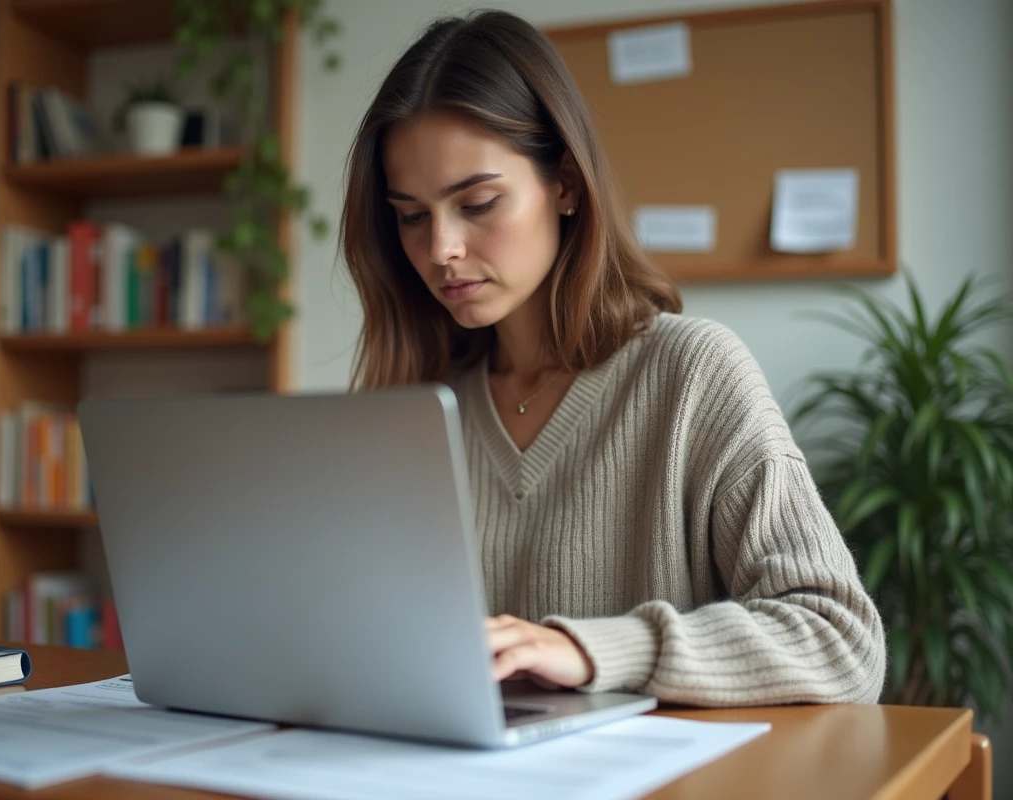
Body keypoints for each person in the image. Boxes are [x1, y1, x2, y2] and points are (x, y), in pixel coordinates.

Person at [338, 10, 885, 706]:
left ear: (565, 184)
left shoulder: (694, 373)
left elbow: (841, 641)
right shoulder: (415, 406)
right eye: (412, 216)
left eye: (477, 203)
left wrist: (591, 651)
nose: (440, 248)